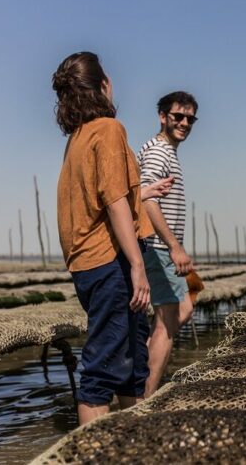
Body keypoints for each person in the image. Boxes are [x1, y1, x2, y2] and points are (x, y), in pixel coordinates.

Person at [53, 52, 165, 425]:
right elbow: (114, 201)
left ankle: (130, 443)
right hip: (110, 263)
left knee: (133, 363)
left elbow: (103, 197)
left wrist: (143, 194)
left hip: (90, 266)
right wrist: (137, 265)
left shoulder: (78, 137)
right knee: (101, 371)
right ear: (103, 85)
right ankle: (94, 452)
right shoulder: (107, 129)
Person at [137, 91, 198, 397]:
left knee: (189, 302)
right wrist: (174, 246)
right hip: (159, 249)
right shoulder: (159, 151)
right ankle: (145, 398)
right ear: (162, 116)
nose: (184, 123)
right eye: (178, 117)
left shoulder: (167, 151)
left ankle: (141, 372)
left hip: (164, 250)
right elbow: (147, 201)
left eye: (190, 118)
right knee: (166, 325)